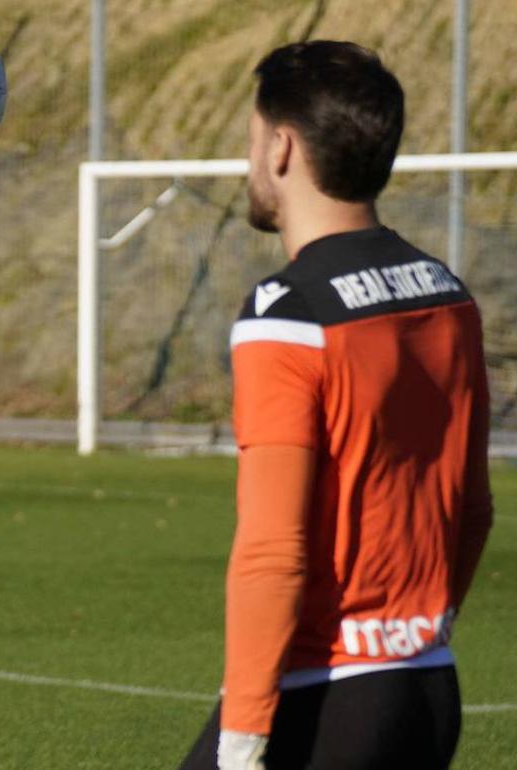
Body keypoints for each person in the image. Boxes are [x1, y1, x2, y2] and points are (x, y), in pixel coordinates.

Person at [180, 42, 493, 769]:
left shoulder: (287, 312)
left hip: (324, 699)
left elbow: (271, 551)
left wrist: (244, 739)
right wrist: (412, 637)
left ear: (283, 148)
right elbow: (473, 510)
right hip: (425, 687)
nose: (249, 161)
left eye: (252, 141)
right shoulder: (448, 293)